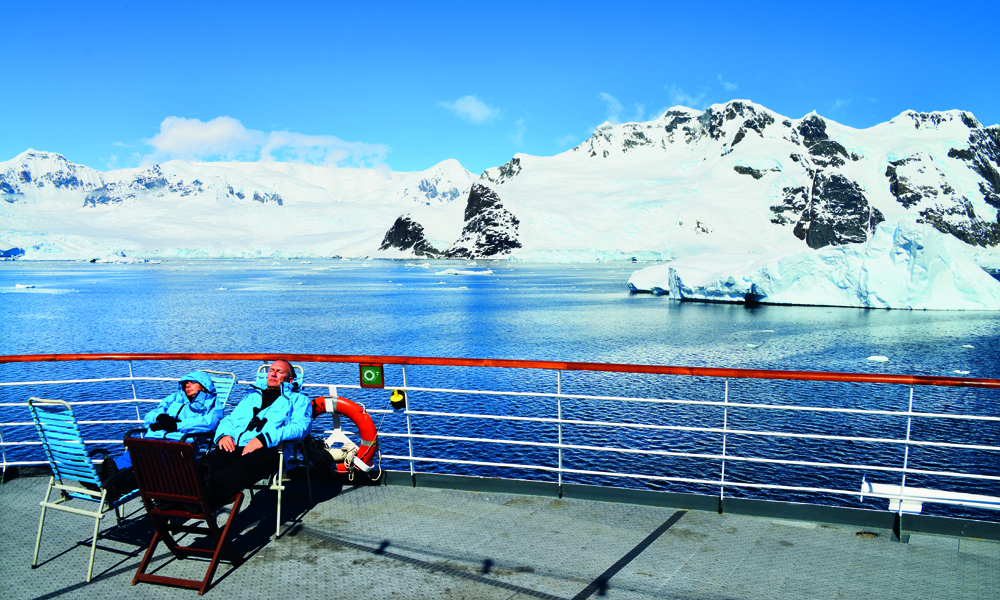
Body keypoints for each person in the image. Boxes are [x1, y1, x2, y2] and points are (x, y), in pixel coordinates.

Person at [198, 359, 313, 510]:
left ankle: (201, 504)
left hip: (271, 449)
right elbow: (230, 419)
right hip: (235, 444)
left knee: (229, 475)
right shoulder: (252, 396)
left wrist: (265, 439)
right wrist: (224, 435)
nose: (273, 373)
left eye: (279, 372)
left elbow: (300, 428)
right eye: (271, 370)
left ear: (290, 379)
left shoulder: (299, 400)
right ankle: (178, 499)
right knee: (202, 467)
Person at [101, 370, 223, 497]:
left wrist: (176, 425)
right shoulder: (175, 398)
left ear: (203, 386)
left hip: (179, 443)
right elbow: (149, 416)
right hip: (154, 437)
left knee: (150, 461)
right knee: (131, 456)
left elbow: (210, 422)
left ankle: (119, 482)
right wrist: (160, 418)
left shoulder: (212, 404)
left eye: (192, 382)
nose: (187, 385)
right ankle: (106, 479)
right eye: (186, 383)